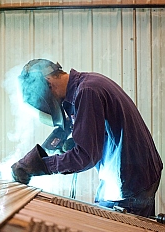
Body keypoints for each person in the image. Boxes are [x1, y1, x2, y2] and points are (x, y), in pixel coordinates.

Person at [11, 59, 163, 217]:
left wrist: (41, 166)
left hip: (131, 181)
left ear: (49, 85)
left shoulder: (87, 92)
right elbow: (76, 126)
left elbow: (85, 156)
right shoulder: (85, 85)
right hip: (131, 174)